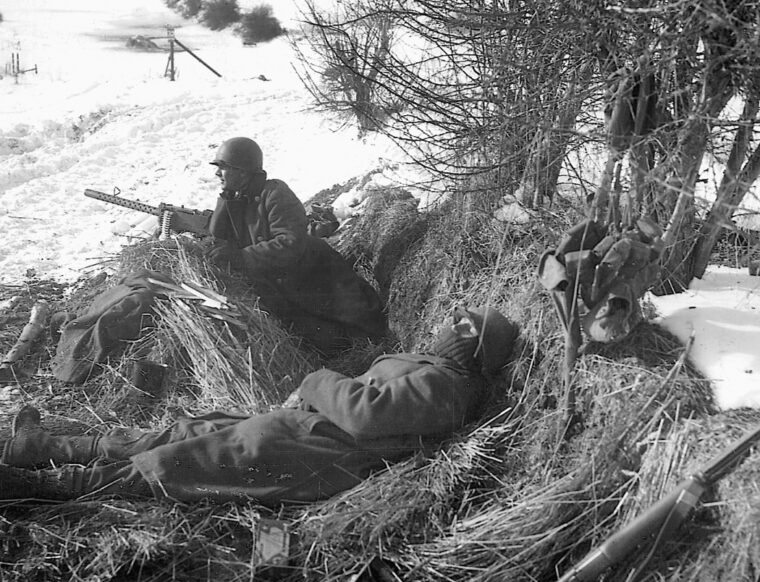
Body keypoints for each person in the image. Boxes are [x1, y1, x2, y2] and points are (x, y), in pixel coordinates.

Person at [0, 306, 519, 505]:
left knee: (177, 463)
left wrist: (316, 379)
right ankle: (43, 447)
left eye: (460, 322)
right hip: (305, 430)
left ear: (470, 344)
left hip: (314, 450)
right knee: (188, 431)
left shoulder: (446, 387)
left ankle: (46, 488)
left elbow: (365, 415)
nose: (446, 321)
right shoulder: (438, 372)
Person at [204, 136, 387, 355]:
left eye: (223, 168)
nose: (217, 174)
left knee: (344, 344)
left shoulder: (275, 194)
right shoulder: (238, 199)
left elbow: (290, 245)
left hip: (318, 286)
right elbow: (217, 239)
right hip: (288, 292)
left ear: (242, 171)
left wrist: (241, 257)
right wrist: (225, 200)